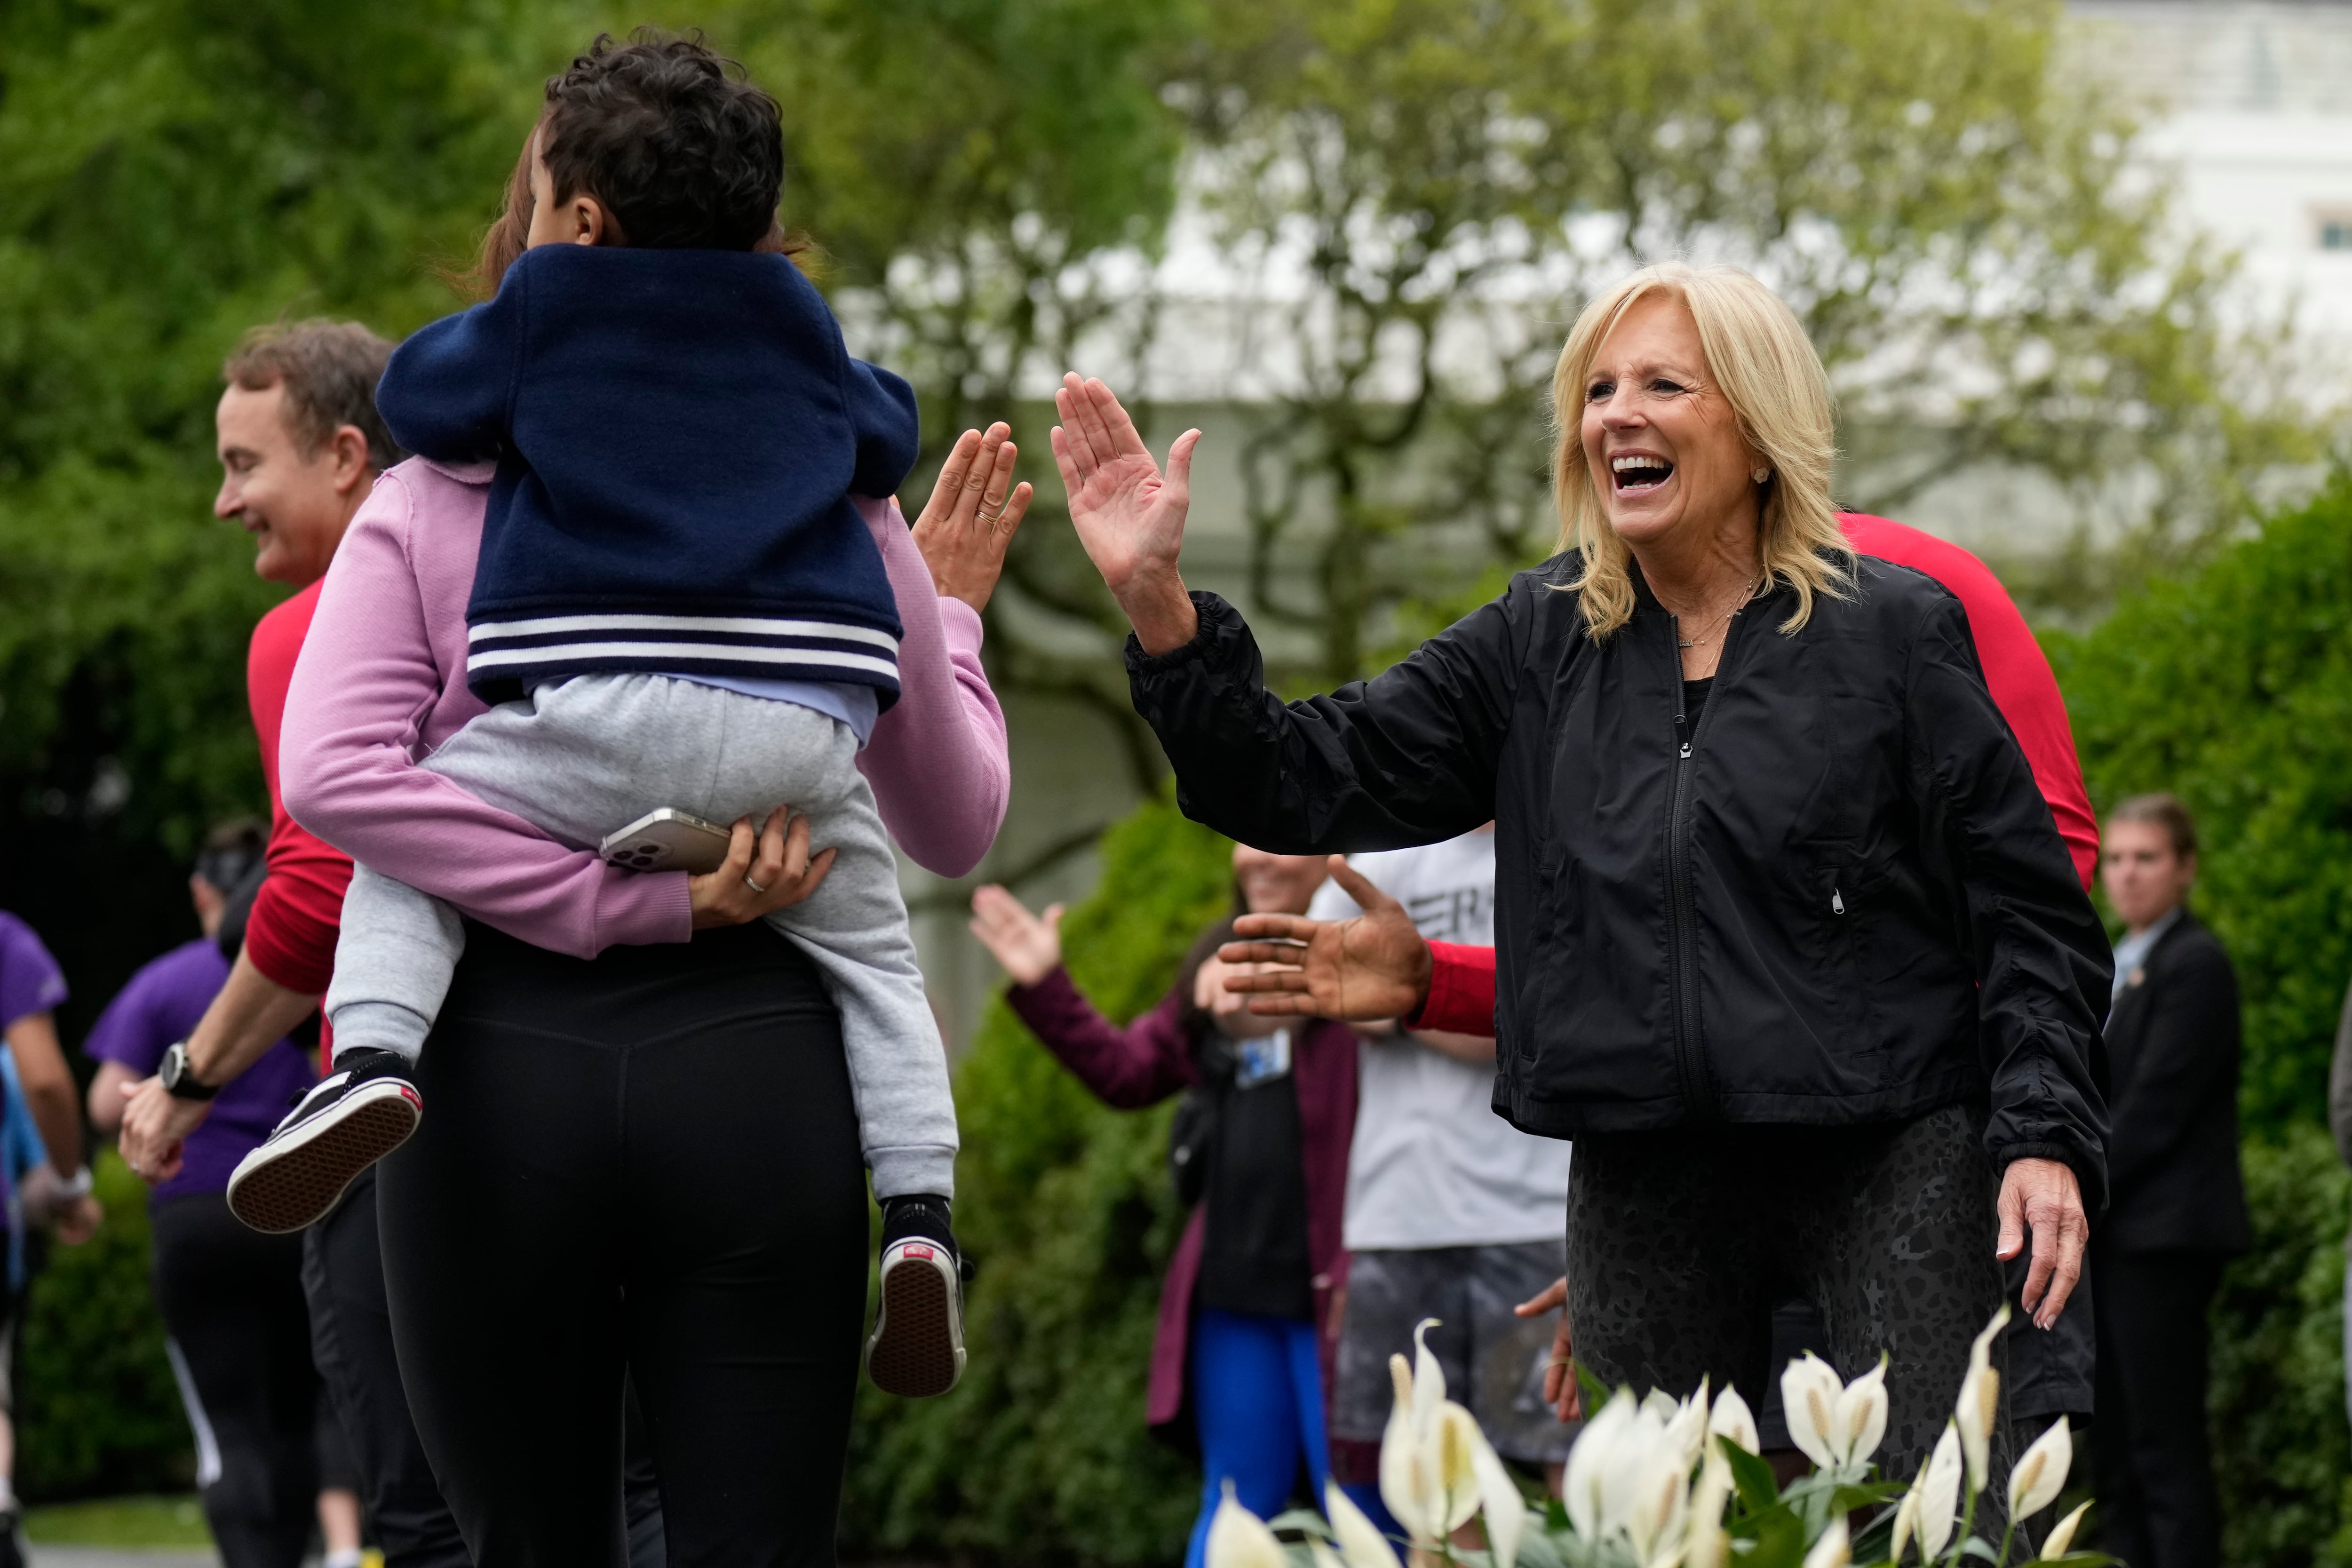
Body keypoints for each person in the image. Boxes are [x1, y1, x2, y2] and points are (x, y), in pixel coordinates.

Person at [1049, 258, 2111, 1505]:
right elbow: (1296, 776)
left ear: (1759, 427)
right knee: (1643, 1525)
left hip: (1895, 1141)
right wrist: (1158, 604)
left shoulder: (1892, 630)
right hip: (1644, 1163)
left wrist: (2042, 1135)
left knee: (1952, 1516)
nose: (1617, 414)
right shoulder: (1535, 641)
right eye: (1598, 389)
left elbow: (2031, 908)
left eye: (1665, 382)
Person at [231, 58, 1023, 1558]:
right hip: (760, 1075)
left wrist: (608, 898)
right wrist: (952, 616)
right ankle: (927, 1213)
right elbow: (956, 820)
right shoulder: (839, 490)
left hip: (488, 1073)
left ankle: (370, 1065)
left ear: (574, 225)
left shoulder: (430, 489)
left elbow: (338, 778)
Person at [112, 316, 478, 1568]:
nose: (224, 504)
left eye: (241, 464)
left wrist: (186, 1078)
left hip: (406, 1116)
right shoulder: (511, 587)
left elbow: (319, 884)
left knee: (426, 1512)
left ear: (342, 455)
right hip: (588, 1077)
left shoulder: (310, 627)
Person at [966, 847, 1353, 1568]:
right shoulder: (1214, 961)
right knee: (1238, 1508)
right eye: (1246, 834)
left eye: (1287, 836)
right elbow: (1127, 1071)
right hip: (1233, 1294)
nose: (1260, 853)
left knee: (1361, 1505)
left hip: (1337, 1290)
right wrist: (1047, 984)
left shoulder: (1370, 963)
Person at [86, 821, 358, 1568]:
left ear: (205, 889)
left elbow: (107, 1104)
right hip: (302, 1201)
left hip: (197, 1210)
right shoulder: (321, 962)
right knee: (307, 1409)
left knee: (230, 1426)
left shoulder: (164, 981)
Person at [1299, 828, 1574, 1520]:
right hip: (1402, 1217)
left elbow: (1551, 1017)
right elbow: (1320, 974)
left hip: (1541, 1217)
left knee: (1575, 1467)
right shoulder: (1386, 852)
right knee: (1433, 1491)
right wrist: (1447, 1002)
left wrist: (1406, 998)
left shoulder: (1560, 829)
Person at [2089, 793, 2247, 1568]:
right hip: (2120, 1240)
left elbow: (2152, 1111)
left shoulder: (2196, 965)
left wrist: (2069, 1179)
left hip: (2164, 1242)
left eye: (2146, 858)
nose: (2126, 875)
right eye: (2115, 858)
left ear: (2185, 868)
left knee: (2163, 1448)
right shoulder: (2123, 960)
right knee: (2116, 1448)